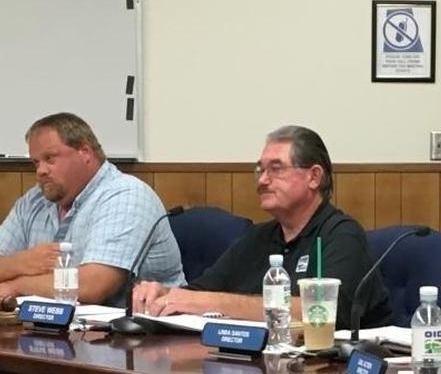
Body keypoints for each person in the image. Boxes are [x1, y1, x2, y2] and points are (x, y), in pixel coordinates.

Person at [132, 125, 392, 328]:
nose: (262, 181)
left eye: (276, 169)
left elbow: (323, 311)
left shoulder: (342, 235)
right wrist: (159, 293)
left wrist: (204, 302)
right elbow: (201, 291)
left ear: (314, 177)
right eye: (260, 170)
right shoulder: (258, 237)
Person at [0, 112, 184, 305]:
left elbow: (93, 285)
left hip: (143, 335)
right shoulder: (34, 200)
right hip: (58, 329)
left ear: (85, 152)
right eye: (36, 163)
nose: (41, 171)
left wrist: (15, 286)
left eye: (50, 159)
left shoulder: (125, 194)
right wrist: (23, 262)